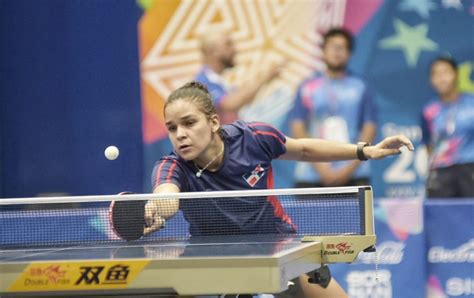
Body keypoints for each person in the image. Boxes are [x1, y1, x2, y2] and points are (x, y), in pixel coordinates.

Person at [144, 81, 413, 297]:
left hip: (279, 247)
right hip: (214, 260)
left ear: (213, 122)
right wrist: (156, 209)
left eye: (189, 123)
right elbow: (167, 196)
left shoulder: (254, 138)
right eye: (171, 128)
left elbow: (304, 149)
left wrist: (365, 150)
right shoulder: (172, 166)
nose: (180, 134)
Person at [290, 27, 377, 187]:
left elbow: (369, 128)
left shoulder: (361, 87)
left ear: (349, 53)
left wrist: (349, 168)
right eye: (332, 46)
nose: (337, 52)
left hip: (354, 174)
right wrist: (320, 167)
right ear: (323, 51)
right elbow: (298, 127)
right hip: (311, 175)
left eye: (342, 47)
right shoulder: (307, 87)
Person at [195, 30, 282, 123]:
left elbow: (245, 99)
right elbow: (231, 104)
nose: (235, 49)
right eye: (228, 44)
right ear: (212, 52)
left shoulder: (219, 80)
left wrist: (265, 77)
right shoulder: (202, 82)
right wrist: (265, 78)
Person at [421, 56, 474, 198]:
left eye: (445, 72)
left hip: (470, 168)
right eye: (436, 74)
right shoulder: (428, 110)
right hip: (441, 172)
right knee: (440, 216)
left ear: (456, 74)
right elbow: (428, 144)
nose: (441, 78)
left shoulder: (472, 103)